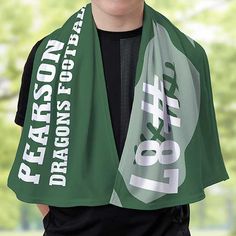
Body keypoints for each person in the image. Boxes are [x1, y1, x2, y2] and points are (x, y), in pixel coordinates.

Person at [10, 0, 229, 235]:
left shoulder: (188, 56)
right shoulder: (46, 55)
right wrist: (62, 224)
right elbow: (36, 155)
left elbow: (193, 155)